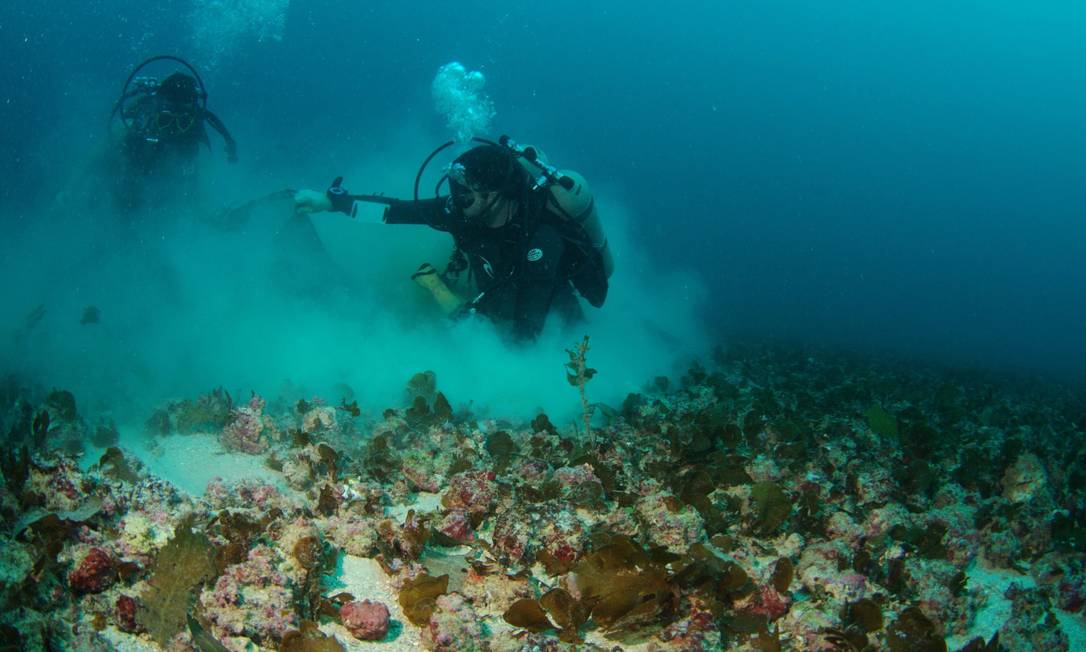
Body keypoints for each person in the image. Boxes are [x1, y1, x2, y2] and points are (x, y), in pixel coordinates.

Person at [293, 138, 613, 342]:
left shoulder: (542, 242)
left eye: (465, 195)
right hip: (496, 305)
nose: (455, 201)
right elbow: (398, 211)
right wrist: (332, 202)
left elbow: (526, 336)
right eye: (455, 190)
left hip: (556, 327)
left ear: (495, 195)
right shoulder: (463, 211)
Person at [115, 70, 237, 211]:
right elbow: (125, 120)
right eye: (165, 120)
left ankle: (195, 207)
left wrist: (229, 142)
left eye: (183, 122)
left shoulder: (193, 120)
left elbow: (215, 123)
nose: (173, 129)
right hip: (149, 149)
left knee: (189, 171)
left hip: (181, 151)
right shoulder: (149, 110)